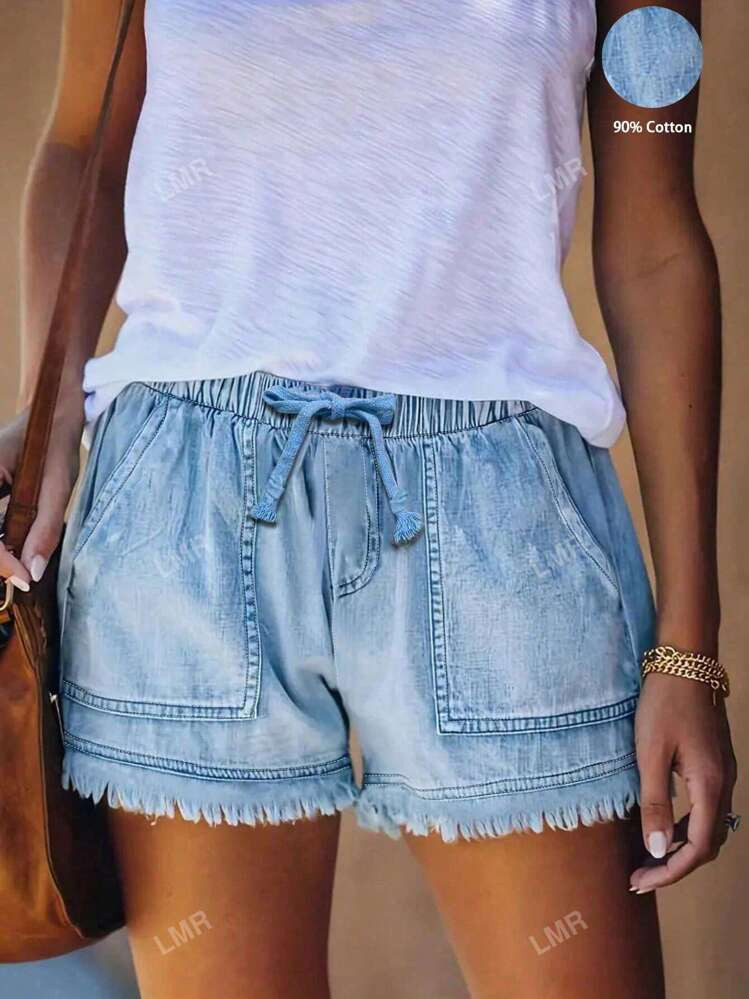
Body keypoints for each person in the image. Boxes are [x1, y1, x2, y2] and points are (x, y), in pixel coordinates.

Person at [0, 1, 737, 996]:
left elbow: (655, 243)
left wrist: (688, 644)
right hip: (187, 524)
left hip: (501, 532)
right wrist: (47, 417)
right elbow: (84, 146)